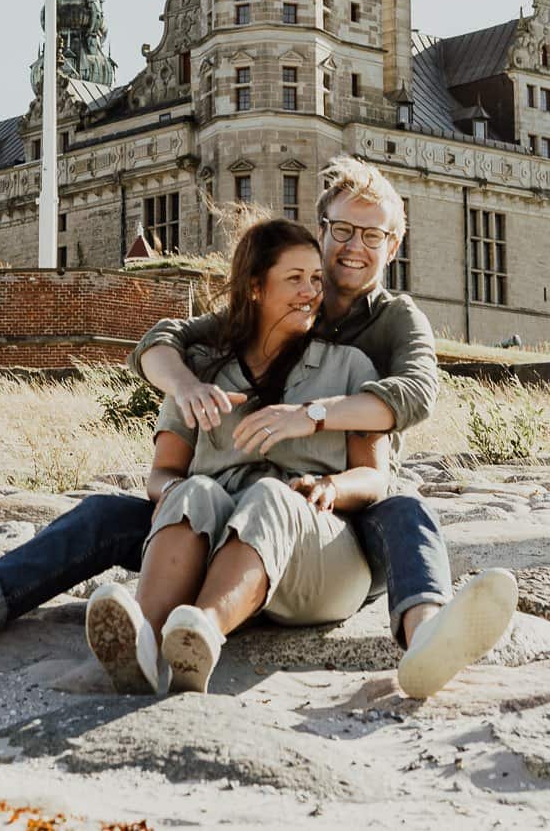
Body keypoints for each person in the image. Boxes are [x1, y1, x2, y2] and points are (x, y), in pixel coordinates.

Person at [0, 155, 516, 699]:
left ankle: (425, 634)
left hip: (334, 518)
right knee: (116, 513)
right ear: (308, 240)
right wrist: (189, 392)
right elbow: (159, 342)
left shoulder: (384, 331)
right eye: (339, 233)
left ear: (393, 244)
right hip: (219, 511)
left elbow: (414, 394)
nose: (346, 255)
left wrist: (312, 423)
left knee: (400, 506)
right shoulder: (235, 334)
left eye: (372, 235)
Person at [83, 216, 384, 693]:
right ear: (256, 288)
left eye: (315, 279)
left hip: (321, 553)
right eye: (294, 279)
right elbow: (162, 473)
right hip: (222, 542)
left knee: (270, 495)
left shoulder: (351, 365)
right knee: (194, 491)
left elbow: (374, 479)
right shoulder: (201, 368)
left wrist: (331, 486)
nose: (311, 291)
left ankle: (199, 635)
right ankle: (143, 641)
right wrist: (172, 490)